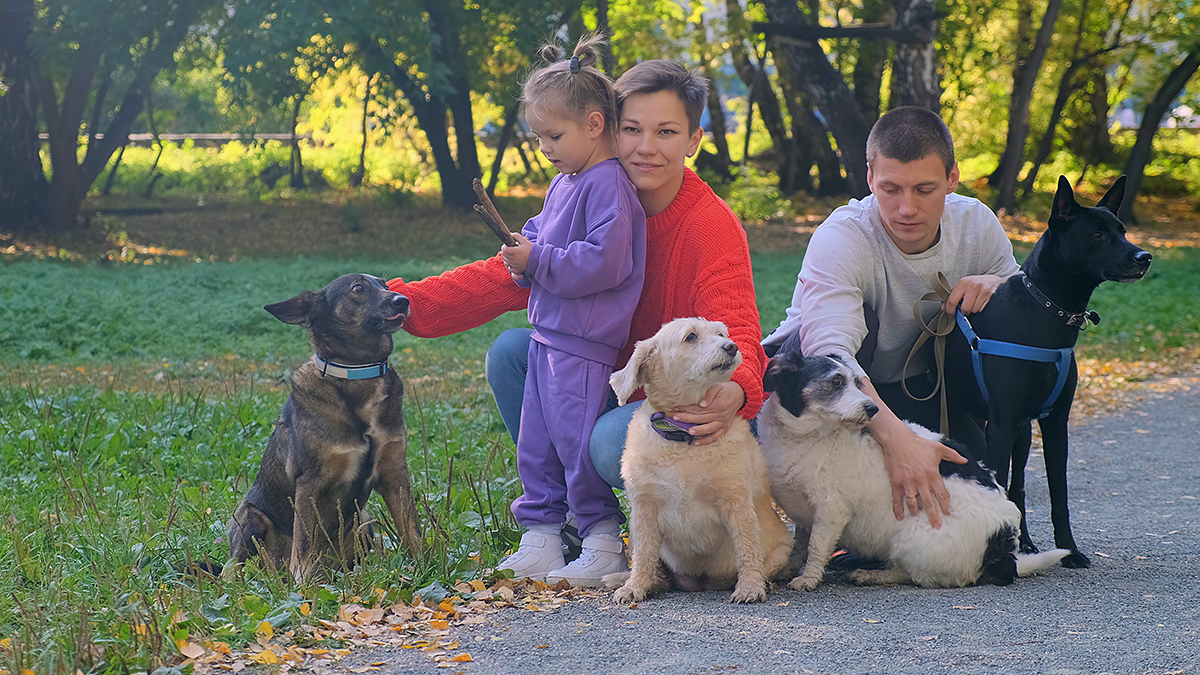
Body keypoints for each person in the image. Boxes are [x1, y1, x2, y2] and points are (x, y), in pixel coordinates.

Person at [385, 59, 768, 585]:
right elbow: (508, 274)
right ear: (606, 128)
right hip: (593, 372)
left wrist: (737, 390)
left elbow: (737, 326)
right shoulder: (585, 192)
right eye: (631, 129)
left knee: (612, 444)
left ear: (693, 140)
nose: (645, 147)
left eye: (665, 132)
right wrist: (404, 302)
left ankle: (610, 532)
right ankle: (560, 524)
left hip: (671, 404)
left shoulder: (710, 226)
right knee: (513, 353)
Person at [762, 106, 1021, 531]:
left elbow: (1027, 316)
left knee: (969, 480)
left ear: (952, 178)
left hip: (918, 386)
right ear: (870, 179)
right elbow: (830, 352)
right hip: (824, 391)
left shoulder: (975, 223)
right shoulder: (842, 236)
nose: (907, 208)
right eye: (890, 189)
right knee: (855, 333)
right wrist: (899, 440)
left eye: (924, 189)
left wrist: (999, 287)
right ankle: (834, 526)